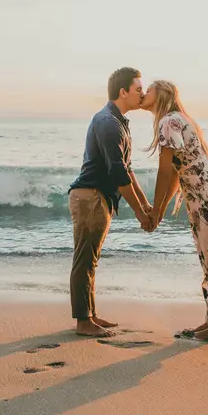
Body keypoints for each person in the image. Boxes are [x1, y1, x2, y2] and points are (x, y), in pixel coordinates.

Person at [142, 80, 208, 341]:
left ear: (161, 95)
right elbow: (177, 172)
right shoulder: (176, 119)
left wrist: (155, 211)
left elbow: (165, 171)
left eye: (148, 90)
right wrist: (161, 209)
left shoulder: (169, 122)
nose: (144, 94)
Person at [67, 67, 153, 337]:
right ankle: (83, 322)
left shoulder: (118, 122)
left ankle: (90, 316)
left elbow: (127, 170)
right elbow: (118, 173)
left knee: (91, 259)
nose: (143, 93)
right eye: (139, 89)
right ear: (123, 92)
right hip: (90, 197)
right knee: (85, 259)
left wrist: (145, 205)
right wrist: (140, 213)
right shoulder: (108, 123)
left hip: (97, 198)